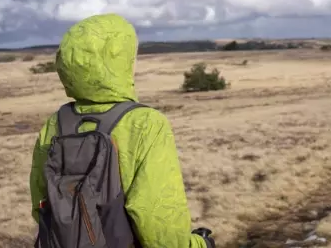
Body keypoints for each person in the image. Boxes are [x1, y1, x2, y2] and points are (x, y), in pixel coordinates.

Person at [29, 13, 214, 248]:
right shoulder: (146, 123)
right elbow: (158, 222)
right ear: (120, 61)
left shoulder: (54, 123)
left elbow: (42, 204)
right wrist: (199, 244)